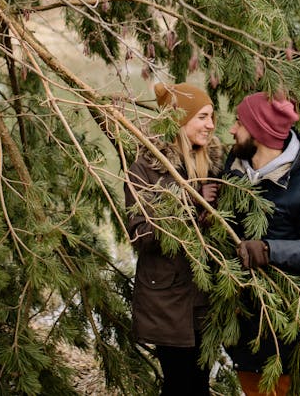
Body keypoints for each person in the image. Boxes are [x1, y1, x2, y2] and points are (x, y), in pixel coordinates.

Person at [224, 92, 300, 396]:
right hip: (245, 327)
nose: (232, 130)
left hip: (284, 337)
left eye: (239, 123)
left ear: (260, 134)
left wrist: (269, 250)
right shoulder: (234, 167)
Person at [124, 82, 223, 396]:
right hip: (167, 300)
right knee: (179, 385)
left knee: (200, 384)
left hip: (206, 297)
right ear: (180, 120)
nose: (211, 125)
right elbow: (140, 234)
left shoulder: (216, 166)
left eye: (212, 117)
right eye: (202, 117)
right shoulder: (146, 168)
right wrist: (189, 208)